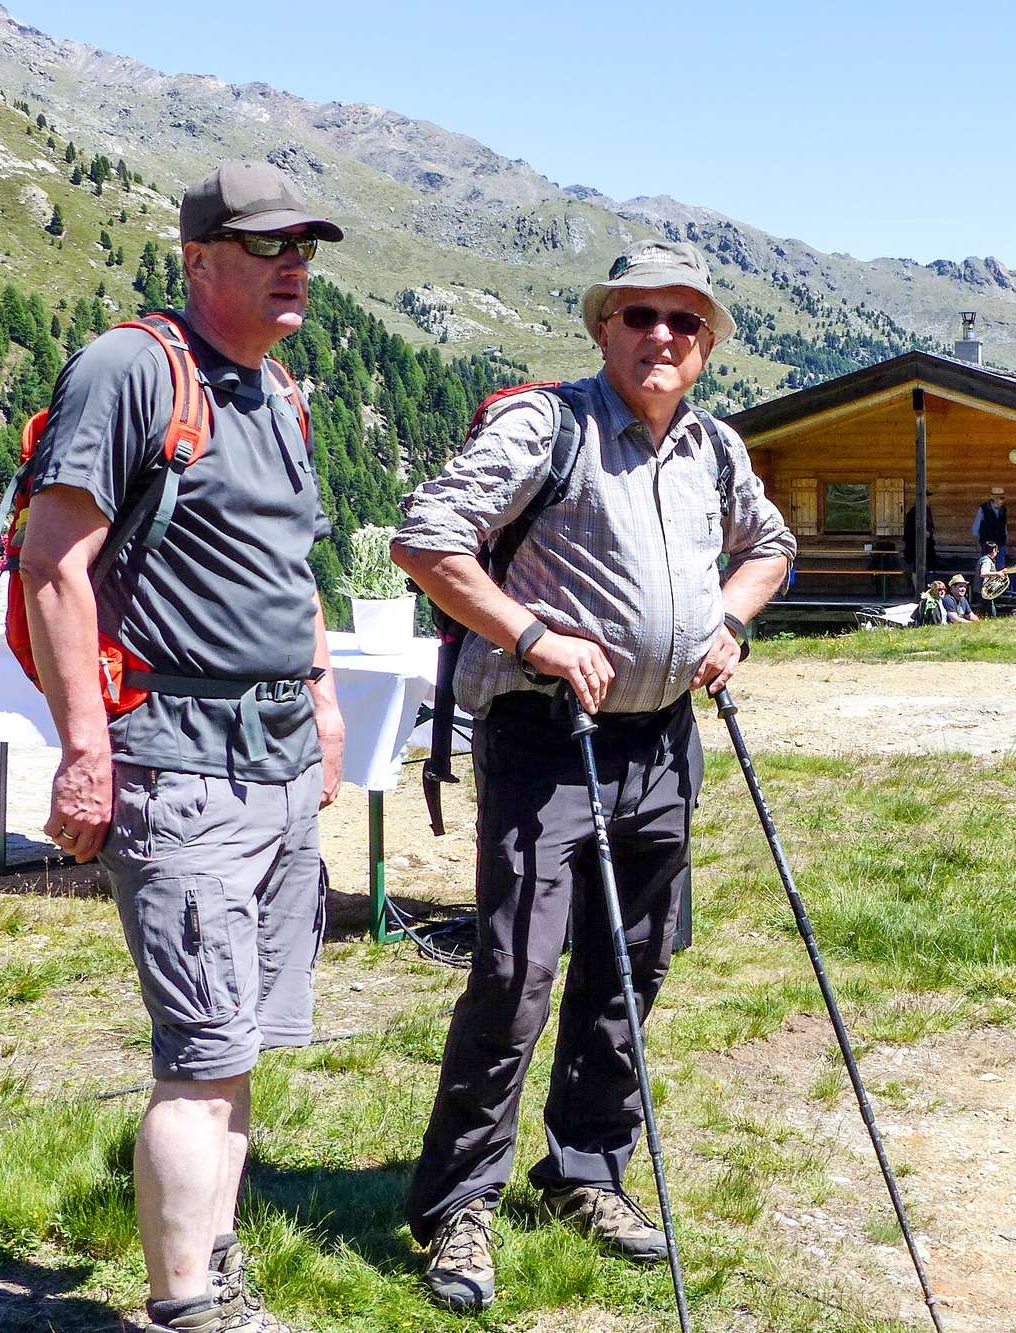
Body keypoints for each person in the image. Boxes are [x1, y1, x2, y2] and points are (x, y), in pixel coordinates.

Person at [390, 240, 794, 1313]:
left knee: (632, 963)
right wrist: (533, 636)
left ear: (706, 343)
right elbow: (426, 537)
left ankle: (585, 1170)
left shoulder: (713, 447)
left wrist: (729, 624)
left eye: (683, 321)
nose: (661, 335)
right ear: (602, 328)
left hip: (661, 739)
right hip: (545, 735)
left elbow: (770, 545)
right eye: (638, 315)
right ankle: (458, 1204)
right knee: (515, 973)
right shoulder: (548, 426)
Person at [18, 160, 346, 1333]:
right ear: (199, 257)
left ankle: (213, 1269)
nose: (292, 264)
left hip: (277, 761)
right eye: (265, 245)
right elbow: (52, 564)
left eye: (302, 246)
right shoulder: (129, 371)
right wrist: (84, 751)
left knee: (237, 1047)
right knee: (200, 1057)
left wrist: (322, 697)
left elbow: (292, 568)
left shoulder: (277, 391)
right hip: (180, 763)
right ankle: (185, 1310)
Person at [972, 485, 1009, 556]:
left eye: (1003, 498)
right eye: (1001, 498)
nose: (1003, 501)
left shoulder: (1003, 509)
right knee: (987, 562)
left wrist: (1006, 541)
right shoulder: (983, 509)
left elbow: (1004, 526)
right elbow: (975, 527)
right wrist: (977, 543)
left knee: (1000, 562)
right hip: (987, 545)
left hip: (1000, 543)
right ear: (995, 498)